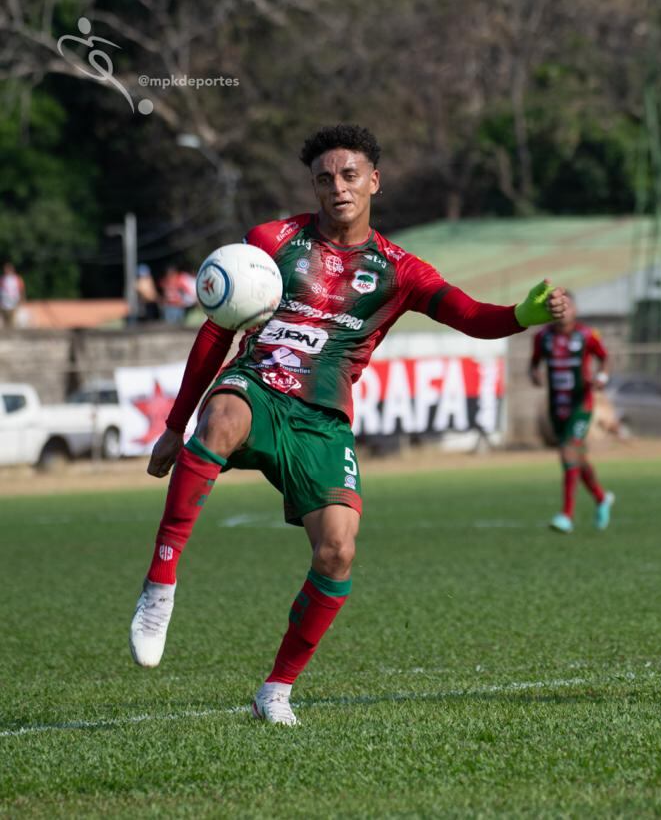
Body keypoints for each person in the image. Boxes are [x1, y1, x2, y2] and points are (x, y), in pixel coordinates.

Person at [128, 124, 567, 725]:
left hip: (322, 421)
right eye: (325, 178)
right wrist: (176, 426)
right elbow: (216, 330)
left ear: (374, 182)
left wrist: (523, 314)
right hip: (256, 385)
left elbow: (468, 316)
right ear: (313, 185)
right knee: (224, 416)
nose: (337, 187)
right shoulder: (272, 240)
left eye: (350, 175)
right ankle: (161, 585)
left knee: (337, 552)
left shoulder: (399, 271)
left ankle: (275, 690)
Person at [528, 292, 615, 533]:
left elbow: (604, 358)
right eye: (558, 306)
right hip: (556, 406)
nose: (563, 311)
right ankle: (601, 497)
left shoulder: (586, 335)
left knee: (568, 452)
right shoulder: (542, 337)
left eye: (568, 306)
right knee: (577, 456)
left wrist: (602, 376)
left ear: (575, 310)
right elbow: (534, 363)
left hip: (581, 403)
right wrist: (534, 374)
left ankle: (566, 514)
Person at [0, 262, 25, 328]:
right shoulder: (2, 279)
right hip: (3, 303)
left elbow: (21, 290)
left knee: (13, 322)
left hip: (14, 302)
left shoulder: (17, 279)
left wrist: (21, 300)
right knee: (5, 321)